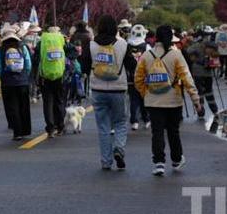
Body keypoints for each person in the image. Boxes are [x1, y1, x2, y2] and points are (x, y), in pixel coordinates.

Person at [135, 25, 201, 177]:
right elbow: (187, 78)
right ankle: (176, 159)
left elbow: (138, 79)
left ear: (156, 37)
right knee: (173, 131)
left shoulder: (146, 55)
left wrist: (146, 94)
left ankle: (158, 162)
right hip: (173, 100)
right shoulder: (176, 55)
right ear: (171, 38)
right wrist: (196, 100)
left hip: (153, 101)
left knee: (157, 132)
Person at [82, 15, 135, 170]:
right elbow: (132, 65)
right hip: (118, 89)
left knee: (103, 127)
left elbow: (84, 66)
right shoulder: (123, 44)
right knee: (120, 122)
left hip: (97, 90)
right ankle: (119, 148)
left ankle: (106, 161)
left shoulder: (91, 45)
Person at [0, 27, 32, 141]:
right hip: (22, 81)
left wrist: (2, 77)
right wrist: (25, 75)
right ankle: (25, 129)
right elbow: (28, 64)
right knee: (24, 106)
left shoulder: (1, 49)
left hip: (8, 83)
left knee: (12, 107)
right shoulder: (22, 47)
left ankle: (17, 132)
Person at [38, 24, 68, 138]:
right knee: (59, 101)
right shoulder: (62, 41)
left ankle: (50, 128)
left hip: (45, 76)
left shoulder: (42, 42)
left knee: (48, 103)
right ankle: (60, 126)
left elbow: (37, 57)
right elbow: (71, 52)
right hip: (60, 75)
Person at [185, 32, 219, 120]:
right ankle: (208, 111)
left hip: (202, 73)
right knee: (204, 92)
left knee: (204, 92)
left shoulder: (201, 47)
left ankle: (207, 111)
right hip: (203, 72)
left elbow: (188, 50)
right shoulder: (205, 46)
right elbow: (188, 51)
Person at [127, 24, 150, 131]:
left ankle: (134, 121)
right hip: (144, 77)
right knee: (143, 99)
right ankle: (146, 119)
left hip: (130, 77)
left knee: (133, 99)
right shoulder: (147, 46)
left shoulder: (127, 45)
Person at [24, 25, 42, 103]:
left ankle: (31, 95)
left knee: (30, 78)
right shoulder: (39, 39)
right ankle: (35, 94)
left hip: (28, 59)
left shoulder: (24, 39)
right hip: (37, 60)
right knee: (36, 78)